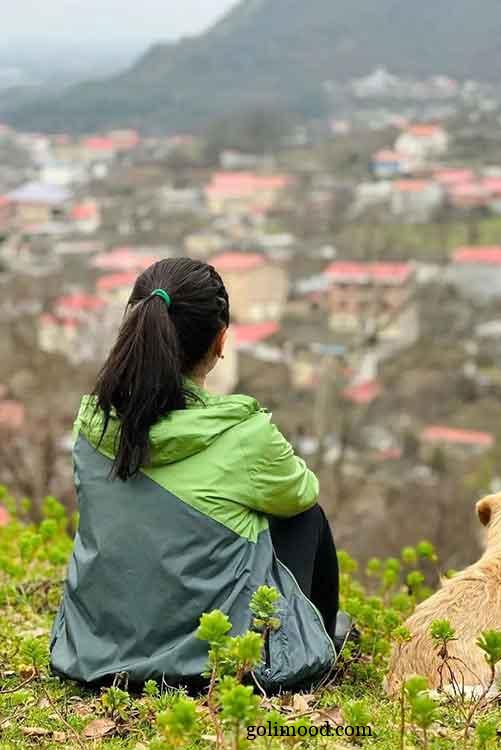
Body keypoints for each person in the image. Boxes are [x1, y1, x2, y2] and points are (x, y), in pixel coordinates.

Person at [50, 257, 340, 691]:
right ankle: (312, 638)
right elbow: (300, 493)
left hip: (93, 652)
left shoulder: (93, 423)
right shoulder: (242, 434)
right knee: (305, 517)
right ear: (221, 340)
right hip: (211, 663)